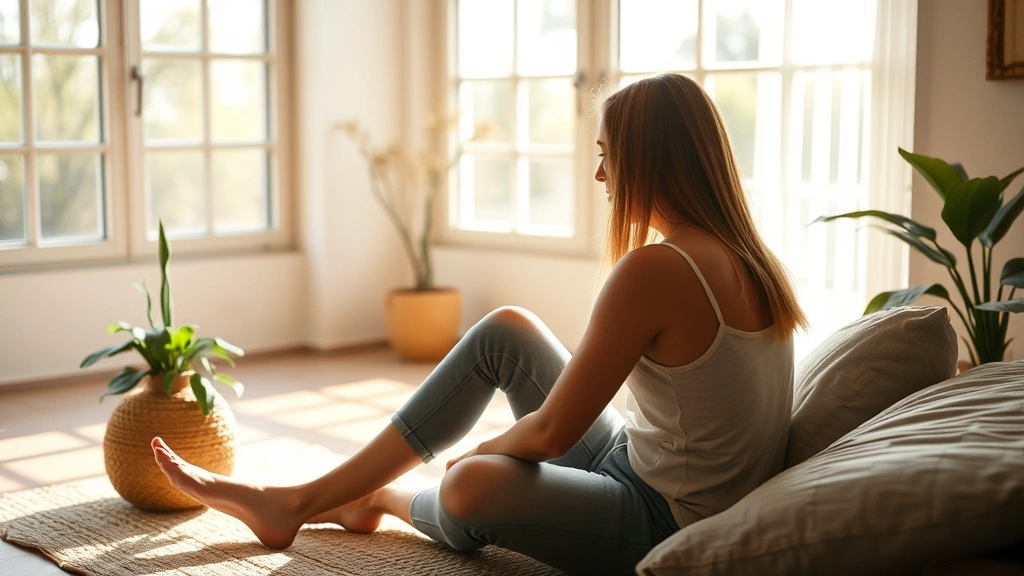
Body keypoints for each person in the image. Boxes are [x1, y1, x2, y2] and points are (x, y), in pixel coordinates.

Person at [151, 73, 807, 576]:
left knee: (468, 485)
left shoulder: (658, 270)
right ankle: (302, 500)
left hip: (663, 519)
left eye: (610, 155)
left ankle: (373, 497)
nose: (602, 174)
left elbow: (550, 434)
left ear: (651, 159)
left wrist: (485, 451)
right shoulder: (750, 258)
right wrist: (509, 445)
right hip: (639, 460)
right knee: (508, 329)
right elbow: (575, 420)